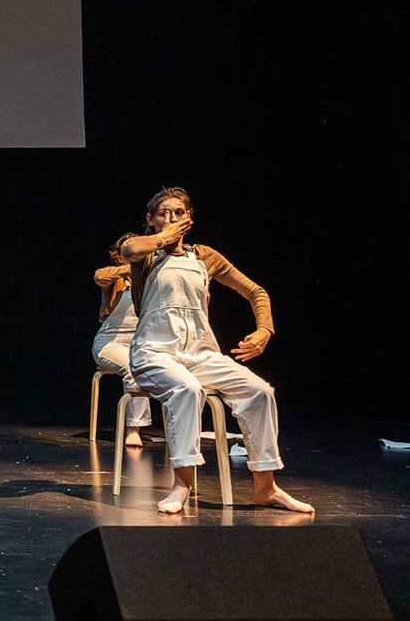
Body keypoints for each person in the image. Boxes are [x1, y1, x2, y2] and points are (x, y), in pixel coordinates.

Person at [121, 186, 313, 514]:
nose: (172, 218)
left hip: (201, 353)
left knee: (259, 392)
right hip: (153, 351)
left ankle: (266, 488)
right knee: (187, 389)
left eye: (179, 213)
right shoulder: (146, 253)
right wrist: (163, 237)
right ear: (150, 219)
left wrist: (264, 329)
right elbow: (128, 249)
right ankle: (182, 485)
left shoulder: (205, 257)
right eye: (163, 213)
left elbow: (255, 291)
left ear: (190, 218)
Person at [92, 232, 151, 446]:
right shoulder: (116, 278)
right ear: (119, 256)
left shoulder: (151, 278)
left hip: (142, 342)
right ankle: (133, 429)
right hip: (110, 342)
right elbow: (100, 276)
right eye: (129, 250)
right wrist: (133, 266)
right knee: (133, 366)